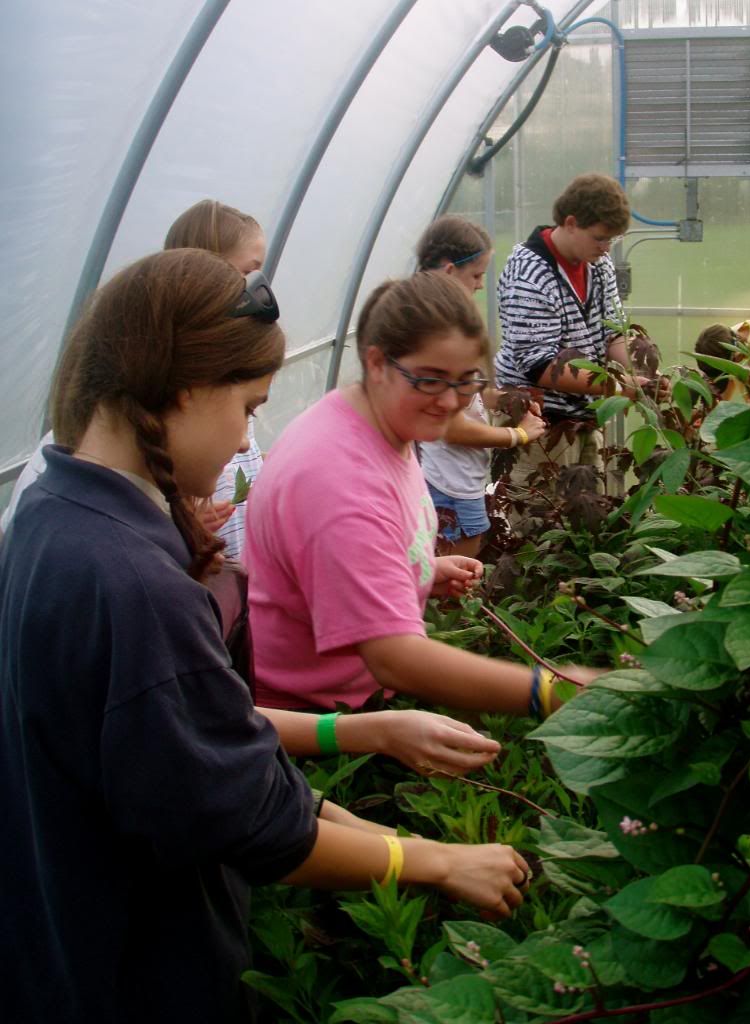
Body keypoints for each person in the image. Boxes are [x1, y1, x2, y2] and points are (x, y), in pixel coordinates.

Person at [0, 249, 531, 1023]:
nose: (250, 442)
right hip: (133, 976)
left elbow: (194, 750)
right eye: (249, 407)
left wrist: (368, 737)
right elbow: (251, 819)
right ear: (181, 390)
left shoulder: (50, 512)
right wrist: (439, 859)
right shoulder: (135, 588)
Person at [244, 271, 598, 715]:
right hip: (314, 719)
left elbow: (344, 562)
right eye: (430, 379)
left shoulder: (382, 423)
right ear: (376, 364)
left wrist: (418, 570)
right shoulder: (338, 481)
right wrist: (557, 691)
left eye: (465, 381)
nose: (450, 401)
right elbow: (396, 660)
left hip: (353, 700)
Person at [0, 199, 264, 557]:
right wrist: (184, 541)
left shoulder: (207, 411)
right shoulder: (99, 492)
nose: (254, 291)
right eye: (247, 274)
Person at [494, 174, 666, 520]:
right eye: (600, 238)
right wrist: (618, 388)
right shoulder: (529, 273)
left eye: (612, 240)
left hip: (584, 417)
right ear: (570, 223)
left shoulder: (597, 265)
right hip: (539, 424)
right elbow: (539, 366)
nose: (606, 248)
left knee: (588, 519)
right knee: (539, 523)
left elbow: (613, 333)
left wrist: (646, 373)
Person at [415, 215, 545, 556]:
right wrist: (518, 435)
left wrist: (506, 400)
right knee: (454, 576)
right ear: (448, 271)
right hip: (447, 484)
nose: (479, 285)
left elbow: (471, 394)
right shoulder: (435, 334)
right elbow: (450, 426)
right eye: (475, 275)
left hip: (460, 480)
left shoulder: (446, 323)